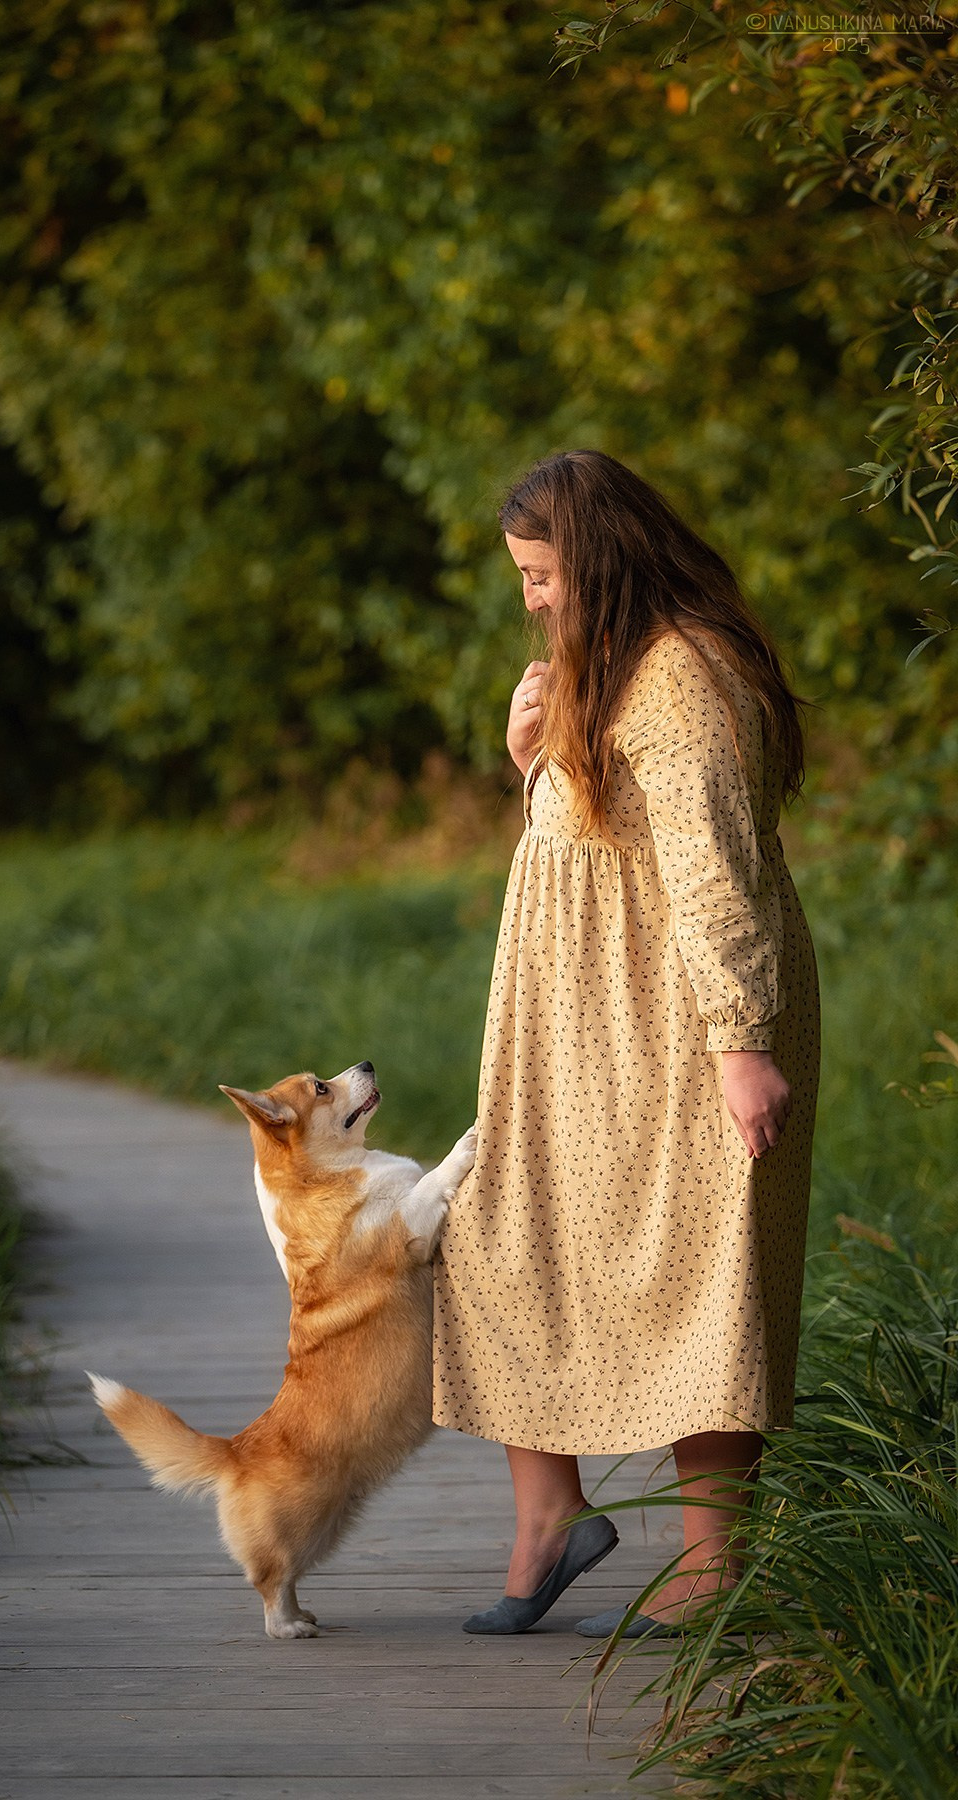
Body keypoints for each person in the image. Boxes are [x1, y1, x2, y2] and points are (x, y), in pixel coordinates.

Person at [432, 448, 820, 1638]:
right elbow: (598, 826)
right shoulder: (599, 668)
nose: (532, 599)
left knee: (710, 1263)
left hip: (677, 1014)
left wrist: (742, 1041)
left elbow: (711, 874)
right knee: (501, 1231)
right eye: (523, 578)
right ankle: (551, 1517)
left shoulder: (680, 678)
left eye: (542, 575)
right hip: (572, 1019)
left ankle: (717, 1563)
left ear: (596, 560)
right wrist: (535, 762)